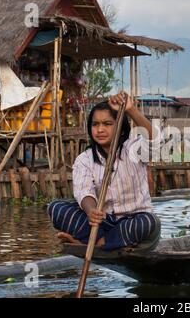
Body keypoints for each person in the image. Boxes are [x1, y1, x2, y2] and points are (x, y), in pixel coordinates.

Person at [46, 92, 163, 251]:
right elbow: (84, 191)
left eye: (107, 124)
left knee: (149, 222)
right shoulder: (84, 159)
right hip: (104, 223)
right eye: (95, 124)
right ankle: (109, 242)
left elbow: (155, 141)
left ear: (120, 127)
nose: (100, 129)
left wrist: (130, 110)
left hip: (134, 221)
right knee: (55, 208)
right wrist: (91, 211)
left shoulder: (133, 149)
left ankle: (95, 244)